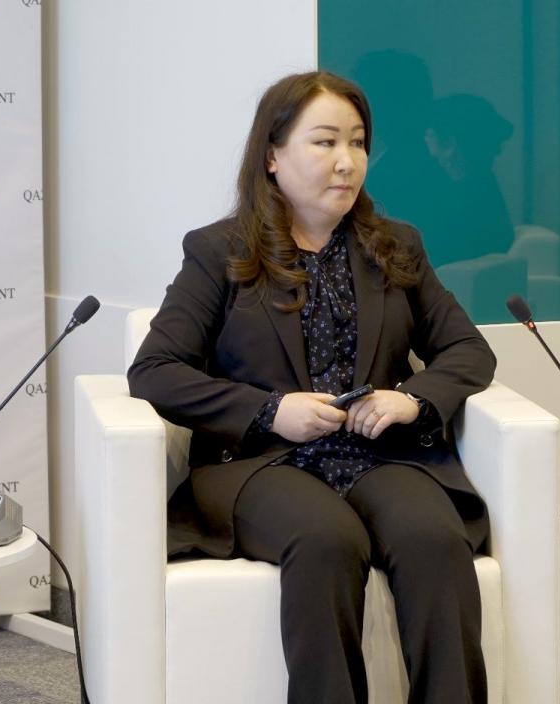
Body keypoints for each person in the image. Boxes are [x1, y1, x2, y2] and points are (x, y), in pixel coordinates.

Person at [127, 70, 496, 704]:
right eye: (325, 142)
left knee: (434, 538)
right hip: (258, 462)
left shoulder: (396, 246)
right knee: (327, 538)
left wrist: (411, 400)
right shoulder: (219, 251)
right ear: (272, 155)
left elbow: (468, 350)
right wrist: (270, 411)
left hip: (377, 455)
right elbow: (155, 370)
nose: (347, 161)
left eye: (358, 143)